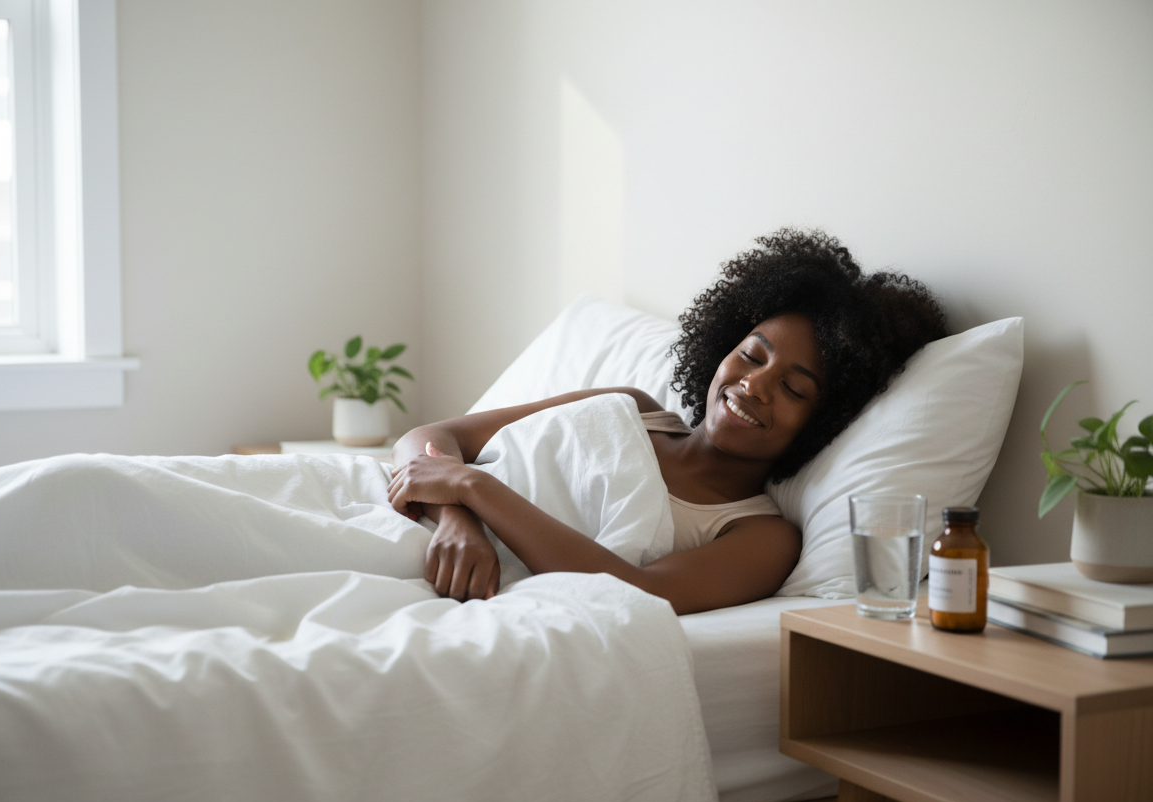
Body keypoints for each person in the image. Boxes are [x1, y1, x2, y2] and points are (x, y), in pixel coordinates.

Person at [388, 228, 947, 614]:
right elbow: (431, 438)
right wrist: (458, 521)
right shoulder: (631, 405)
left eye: (794, 388)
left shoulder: (761, 537)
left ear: (825, 422)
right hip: (397, 521)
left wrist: (473, 486)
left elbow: (632, 591)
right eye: (751, 356)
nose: (754, 384)